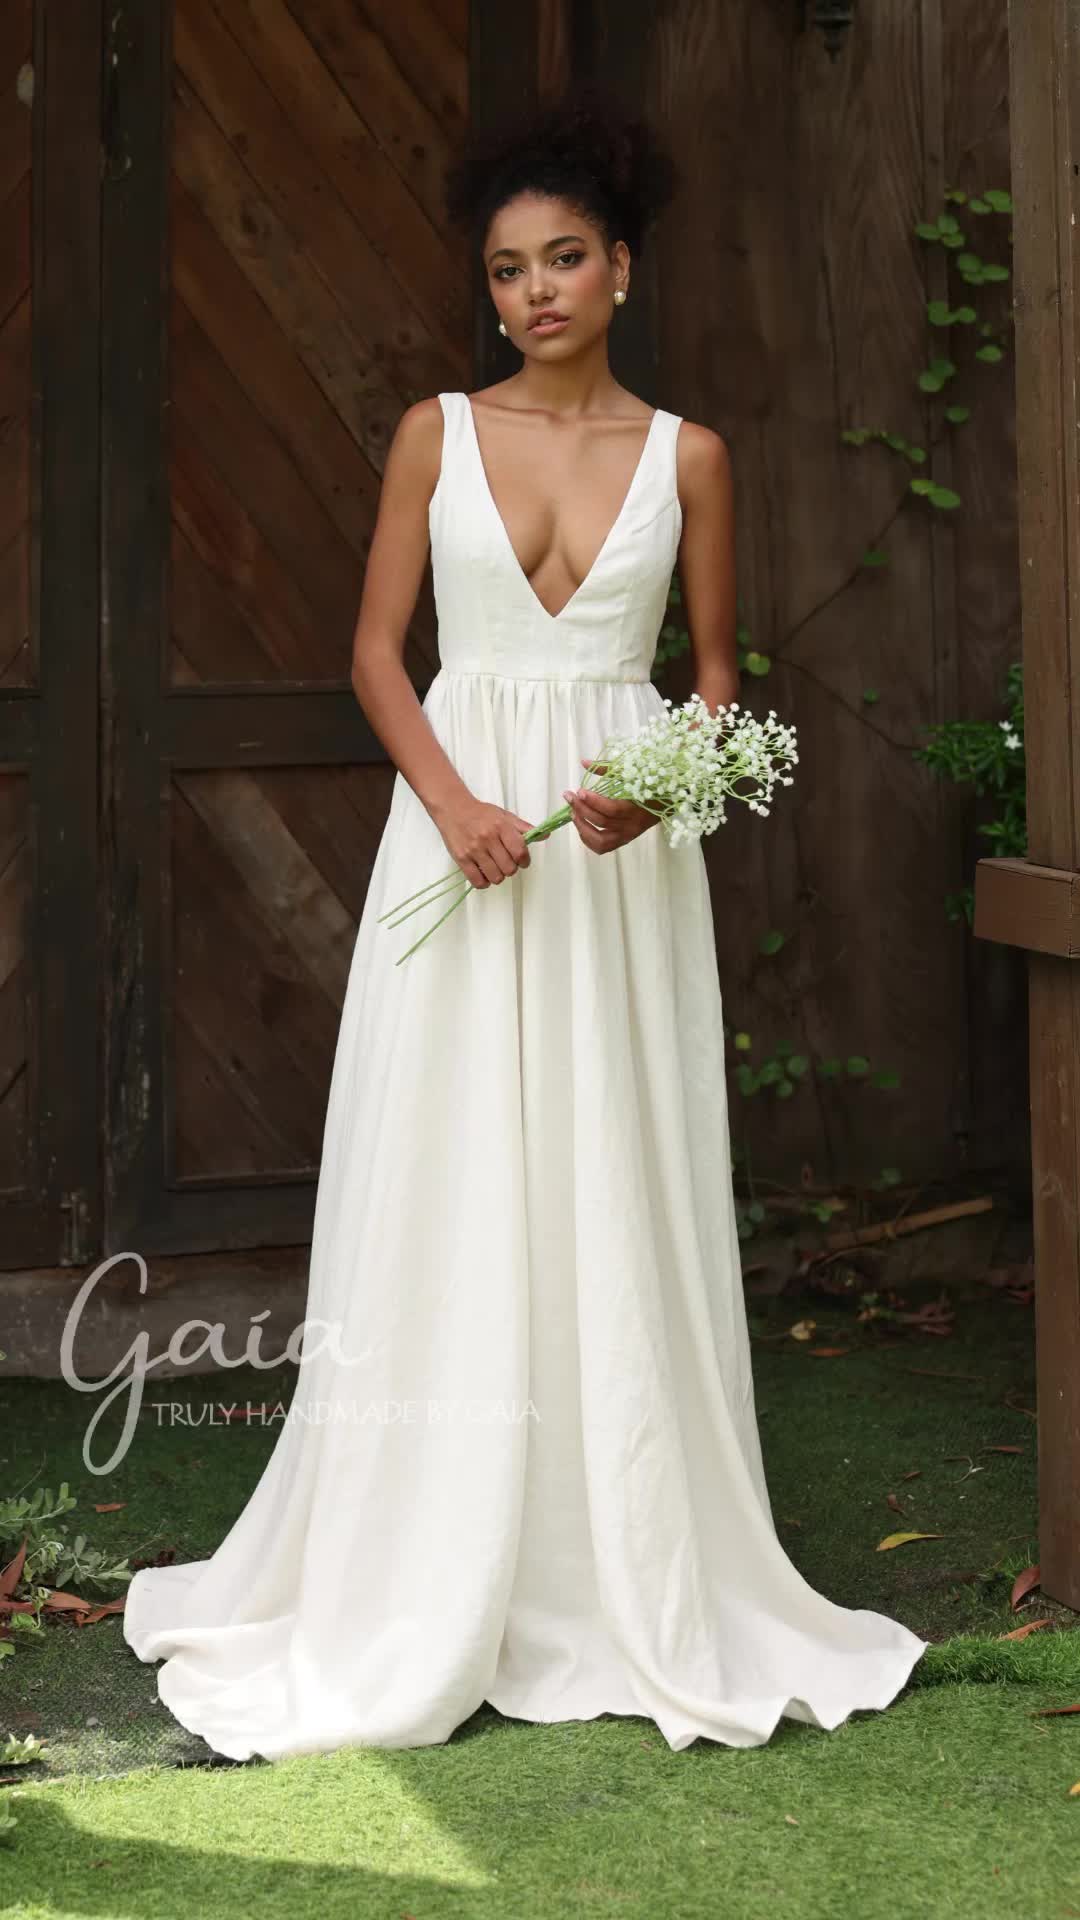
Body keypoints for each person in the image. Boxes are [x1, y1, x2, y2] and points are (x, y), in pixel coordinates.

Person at [122, 90, 929, 1759]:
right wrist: (455, 805)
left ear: (622, 268)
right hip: (462, 843)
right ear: (486, 290)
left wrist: (660, 785)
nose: (535, 291)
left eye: (565, 259)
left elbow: (714, 679)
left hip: (618, 871)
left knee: (608, 1166)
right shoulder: (435, 431)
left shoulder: (692, 458)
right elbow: (374, 654)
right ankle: (420, 1550)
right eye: (507, 268)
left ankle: (614, 1548)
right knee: (451, 1166)